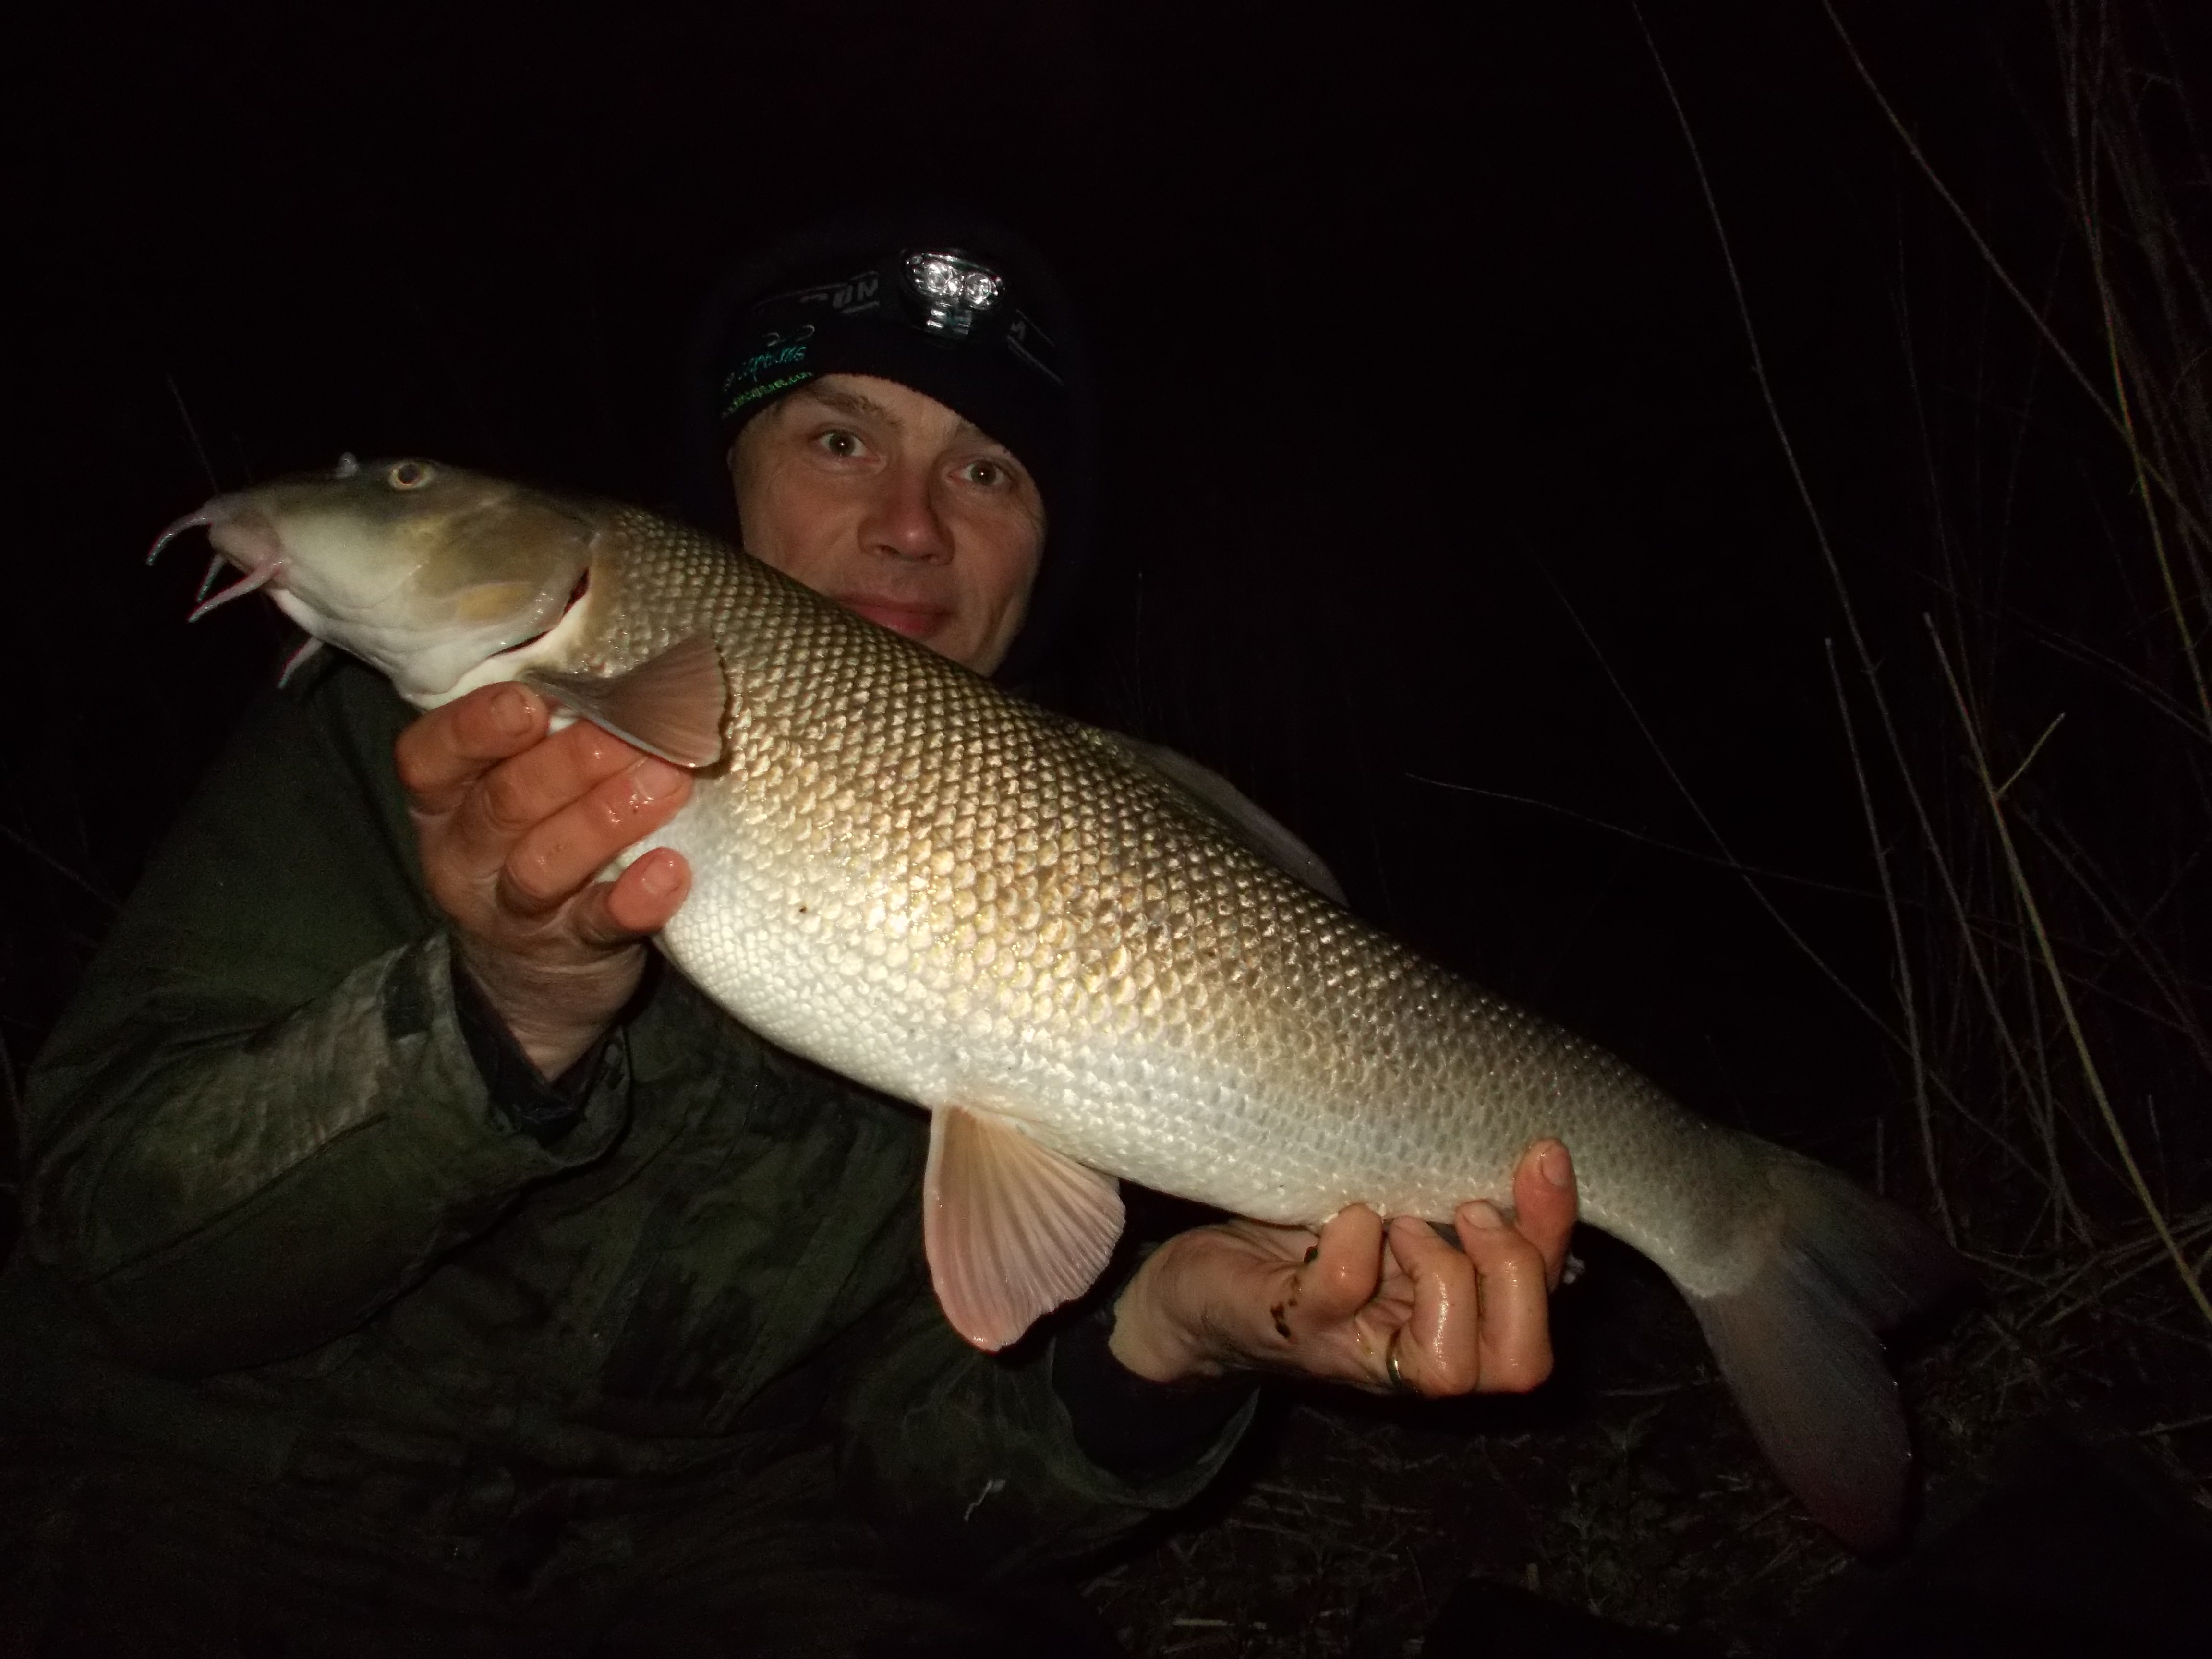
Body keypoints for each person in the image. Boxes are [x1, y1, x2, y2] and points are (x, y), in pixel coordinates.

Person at [0, 211, 1577, 1654]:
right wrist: (500, 1015)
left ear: (1045, 552)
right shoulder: (408, 745)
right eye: (840, 438)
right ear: (725, 476)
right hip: (203, 1502)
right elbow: (124, 1255)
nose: (909, 526)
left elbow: (911, 1487)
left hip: (680, 1562)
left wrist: (1165, 1345)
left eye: (986, 473)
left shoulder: (1079, 873)